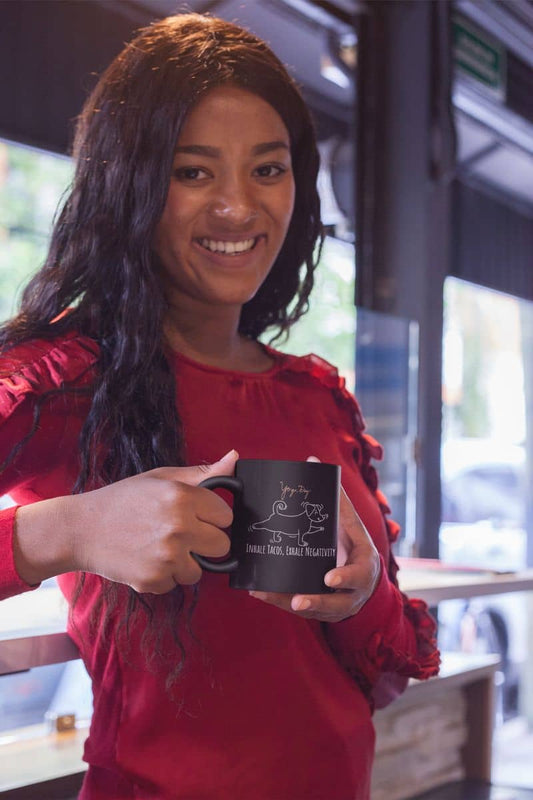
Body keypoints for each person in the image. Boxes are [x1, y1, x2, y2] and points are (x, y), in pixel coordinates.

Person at [0, 12, 439, 800]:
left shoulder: (315, 396)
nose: (238, 207)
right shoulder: (61, 381)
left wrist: (361, 595)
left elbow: (395, 661)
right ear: (126, 183)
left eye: (267, 170)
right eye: (192, 171)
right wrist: (63, 533)